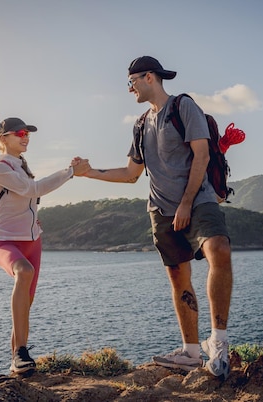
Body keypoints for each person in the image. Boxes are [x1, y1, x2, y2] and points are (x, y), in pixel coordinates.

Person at [83, 56, 233, 380]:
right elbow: (130, 173)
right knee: (179, 278)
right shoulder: (140, 124)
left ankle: (218, 344)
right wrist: (88, 173)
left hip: (198, 200)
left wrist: (186, 203)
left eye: (132, 82)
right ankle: (192, 352)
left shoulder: (182, 107)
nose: (129, 89)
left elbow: (202, 154)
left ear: (149, 77)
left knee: (219, 249)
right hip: (160, 210)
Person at [0, 117, 89, 375]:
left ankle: (16, 363)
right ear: (2, 139)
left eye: (28, 134)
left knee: (25, 306)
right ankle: (22, 353)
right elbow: (32, 189)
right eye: (19, 133)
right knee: (23, 272)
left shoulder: (22, 166)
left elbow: (28, 196)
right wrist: (70, 172)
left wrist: (31, 218)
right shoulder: (0, 169)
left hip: (33, 242)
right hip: (6, 241)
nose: (25, 137)